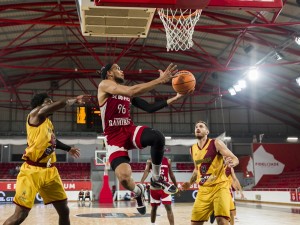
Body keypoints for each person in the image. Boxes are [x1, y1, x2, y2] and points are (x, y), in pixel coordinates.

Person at [97, 63, 190, 215]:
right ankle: (138, 191)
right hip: (114, 138)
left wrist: (176, 97)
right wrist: (160, 80)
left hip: (129, 130)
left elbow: (149, 108)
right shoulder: (104, 84)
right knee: (124, 178)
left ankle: (156, 177)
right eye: (118, 68)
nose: (122, 70)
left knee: (157, 137)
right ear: (109, 73)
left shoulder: (127, 93)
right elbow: (131, 90)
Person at [3, 93, 90, 225]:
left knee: (64, 210)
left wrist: (68, 149)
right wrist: (75, 100)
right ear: (39, 106)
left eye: (51, 102)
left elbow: (53, 141)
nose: (51, 104)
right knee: (21, 214)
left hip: (50, 171)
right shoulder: (35, 114)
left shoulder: (48, 123)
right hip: (32, 171)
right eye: (48, 102)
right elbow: (59, 104)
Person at [182, 120, 239, 225]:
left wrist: (231, 164)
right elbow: (196, 169)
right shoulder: (192, 149)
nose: (198, 128)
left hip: (220, 187)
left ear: (207, 131)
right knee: (195, 223)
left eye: (201, 126)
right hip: (203, 190)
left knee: (222, 221)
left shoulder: (216, 143)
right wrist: (189, 183)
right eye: (196, 127)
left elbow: (235, 159)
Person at [140, 157, 178, 225]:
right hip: (154, 188)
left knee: (169, 208)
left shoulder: (168, 160)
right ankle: (152, 224)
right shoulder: (150, 160)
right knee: (154, 208)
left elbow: (171, 174)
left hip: (165, 189)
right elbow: (146, 171)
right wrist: (141, 182)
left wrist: (176, 186)